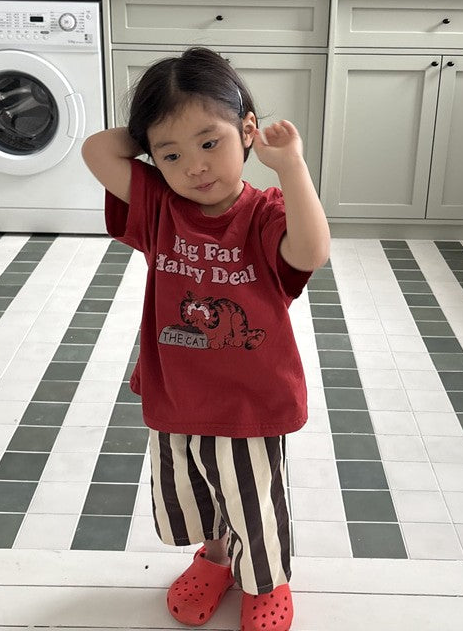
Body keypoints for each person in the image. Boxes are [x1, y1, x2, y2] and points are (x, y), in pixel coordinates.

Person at [82, 47, 330, 631]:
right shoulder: (159, 207)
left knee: (253, 498)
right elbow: (97, 149)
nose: (194, 166)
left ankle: (266, 579)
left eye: (210, 143)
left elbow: (311, 251)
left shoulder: (265, 214)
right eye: (172, 154)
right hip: (177, 393)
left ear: (246, 131)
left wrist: (290, 167)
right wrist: (158, 130)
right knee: (196, 491)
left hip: (249, 400)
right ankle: (215, 558)